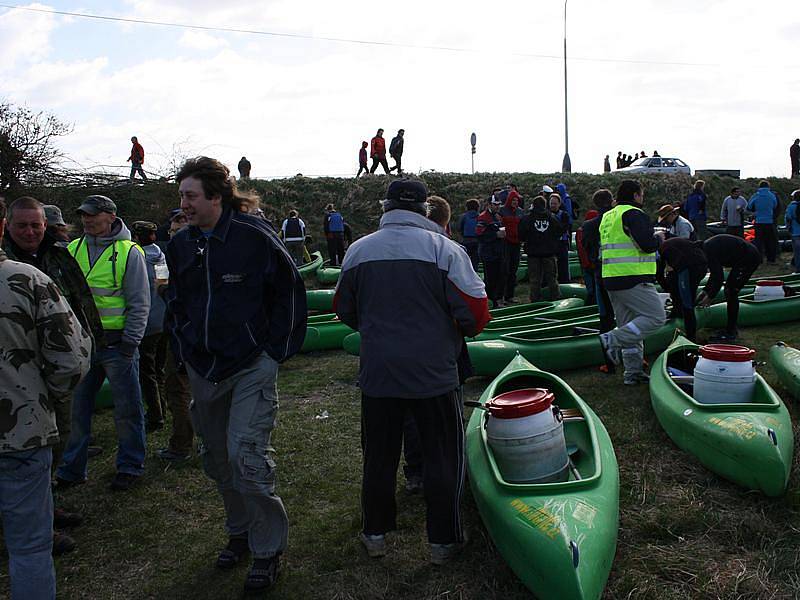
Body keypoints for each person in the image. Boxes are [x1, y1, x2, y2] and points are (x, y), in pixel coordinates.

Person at [166, 156, 306, 593]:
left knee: (246, 456)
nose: (183, 204)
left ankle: (268, 549)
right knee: (217, 458)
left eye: (190, 196)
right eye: (181, 196)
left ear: (216, 196)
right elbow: (178, 302)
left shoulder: (253, 238)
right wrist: (183, 344)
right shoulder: (182, 244)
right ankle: (241, 531)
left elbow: (290, 293)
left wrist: (275, 353)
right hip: (205, 366)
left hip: (250, 364)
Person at [334, 178, 489, 565]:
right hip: (435, 372)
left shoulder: (357, 251)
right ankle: (443, 541)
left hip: (379, 371)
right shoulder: (445, 250)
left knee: (379, 456)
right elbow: (476, 314)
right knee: (443, 456)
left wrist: (377, 331)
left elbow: (344, 309)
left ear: (385, 208)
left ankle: (375, 533)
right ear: (423, 210)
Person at [0, 196, 91, 600]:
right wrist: (44, 398)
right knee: (30, 548)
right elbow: (70, 359)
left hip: (22, 433)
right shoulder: (26, 280)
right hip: (21, 433)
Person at [56, 195, 150, 491]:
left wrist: (130, 344)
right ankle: (71, 470)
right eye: (84, 215)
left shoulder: (129, 252)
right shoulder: (73, 249)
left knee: (128, 411)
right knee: (78, 412)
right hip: (83, 346)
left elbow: (139, 303)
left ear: (111, 216)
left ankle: (130, 466)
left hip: (117, 346)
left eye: (93, 215)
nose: (86, 220)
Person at [597, 179, 666, 385]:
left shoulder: (608, 216)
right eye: (641, 194)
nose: (642, 198)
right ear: (635, 195)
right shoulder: (634, 214)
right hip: (633, 277)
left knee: (629, 325)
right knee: (656, 317)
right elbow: (646, 245)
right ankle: (612, 339)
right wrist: (659, 238)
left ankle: (632, 373)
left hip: (611, 277)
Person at [156, 212, 194, 462]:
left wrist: (163, 289)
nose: (171, 237)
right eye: (170, 232)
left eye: (175, 232)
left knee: (177, 389)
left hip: (184, 334)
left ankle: (181, 444)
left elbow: (180, 299)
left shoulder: (185, 258)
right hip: (182, 332)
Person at [131, 221, 168, 432]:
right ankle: (162, 407)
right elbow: (163, 283)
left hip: (146, 321)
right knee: (159, 369)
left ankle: (155, 415)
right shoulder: (160, 255)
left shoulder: (135, 257)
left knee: (147, 372)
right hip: (162, 317)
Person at [697, 234, 761, 342]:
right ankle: (730, 328)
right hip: (742, 257)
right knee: (729, 290)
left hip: (749, 257)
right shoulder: (706, 248)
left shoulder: (708, 251)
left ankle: (731, 331)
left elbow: (719, 278)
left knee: (731, 291)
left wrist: (710, 297)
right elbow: (714, 274)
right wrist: (705, 290)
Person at [580, 189, 616, 339]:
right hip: (623, 272)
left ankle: (609, 356)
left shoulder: (588, 226)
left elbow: (587, 247)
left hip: (601, 271)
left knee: (605, 313)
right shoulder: (620, 219)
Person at [656, 237, 708, 341]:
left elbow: (659, 274)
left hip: (692, 267)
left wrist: (667, 288)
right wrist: (669, 289)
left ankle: (691, 336)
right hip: (695, 264)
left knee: (687, 301)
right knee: (673, 280)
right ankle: (677, 312)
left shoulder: (663, 249)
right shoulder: (668, 246)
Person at [518, 195, 562, 302]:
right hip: (549, 253)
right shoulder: (552, 217)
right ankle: (556, 299)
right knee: (552, 278)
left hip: (533, 254)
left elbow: (521, 234)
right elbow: (559, 231)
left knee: (534, 280)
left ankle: (535, 301)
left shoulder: (527, 218)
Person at [476, 195, 505, 308]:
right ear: (489, 205)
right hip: (488, 253)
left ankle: (497, 300)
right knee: (490, 278)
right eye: (495, 204)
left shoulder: (498, 217)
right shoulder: (483, 217)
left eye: (499, 204)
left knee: (500, 276)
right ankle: (490, 301)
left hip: (498, 251)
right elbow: (479, 234)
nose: (497, 207)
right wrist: (495, 235)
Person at [499, 192, 524, 303]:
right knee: (505, 270)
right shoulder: (502, 211)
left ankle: (510, 295)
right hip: (505, 243)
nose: (515, 202)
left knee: (513, 270)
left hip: (516, 243)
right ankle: (502, 295)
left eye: (517, 201)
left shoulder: (520, 212)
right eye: (513, 200)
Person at [747, 180, 779, 263]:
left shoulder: (756, 195)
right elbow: (775, 205)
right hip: (769, 221)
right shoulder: (772, 195)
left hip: (759, 221)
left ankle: (759, 259)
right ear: (768, 186)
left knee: (759, 242)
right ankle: (771, 259)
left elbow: (749, 206)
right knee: (770, 241)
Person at [575, 209, 599, 306]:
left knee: (591, 289)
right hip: (591, 264)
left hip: (586, 264)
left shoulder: (581, 231)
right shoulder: (587, 232)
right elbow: (583, 250)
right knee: (593, 289)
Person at [549, 194, 571, 283]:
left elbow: (565, 227)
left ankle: (564, 281)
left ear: (559, 204)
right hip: (551, 243)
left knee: (563, 264)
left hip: (562, 242)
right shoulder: (547, 214)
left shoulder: (564, 215)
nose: (553, 205)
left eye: (555, 203)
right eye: (551, 203)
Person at [456, 199, 480, 270]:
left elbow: (459, 227)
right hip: (477, 241)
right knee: (475, 261)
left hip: (466, 240)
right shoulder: (479, 216)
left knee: (465, 261)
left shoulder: (464, 216)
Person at [784, 190, 800, 273]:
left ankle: (798, 269)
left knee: (797, 253)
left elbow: (788, 218)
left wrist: (788, 228)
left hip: (796, 232)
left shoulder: (791, 206)